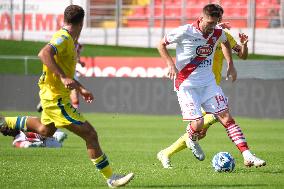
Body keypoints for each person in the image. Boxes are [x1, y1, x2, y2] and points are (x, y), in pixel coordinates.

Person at [0, 5, 134, 188]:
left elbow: (65, 73)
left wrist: (80, 88)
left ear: (65, 19)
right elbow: (44, 53)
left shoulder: (68, 39)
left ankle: (4, 122)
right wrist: (63, 77)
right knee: (90, 134)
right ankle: (111, 178)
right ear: (81, 22)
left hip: (53, 94)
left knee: (45, 130)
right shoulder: (63, 38)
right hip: (56, 98)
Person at [156, 4, 266, 169]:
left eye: (214, 24)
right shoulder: (185, 31)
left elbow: (226, 43)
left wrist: (231, 65)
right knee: (199, 124)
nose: (210, 28)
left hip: (209, 84)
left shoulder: (218, 32)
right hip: (187, 84)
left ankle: (247, 155)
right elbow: (161, 44)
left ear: (219, 21)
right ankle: (190, 139)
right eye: (209, 23)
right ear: (201, 18)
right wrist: (171, 65)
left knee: (226, 118)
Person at [0, 125, 67, 148]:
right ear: (6, 133)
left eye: (10, 125)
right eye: (7, 129)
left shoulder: (24, 127)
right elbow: (25, 146)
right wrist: (32, 144)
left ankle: (56, 135)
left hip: (48, 137)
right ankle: (57, 137)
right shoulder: (16, 141)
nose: (11, 127)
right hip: (46, 144)